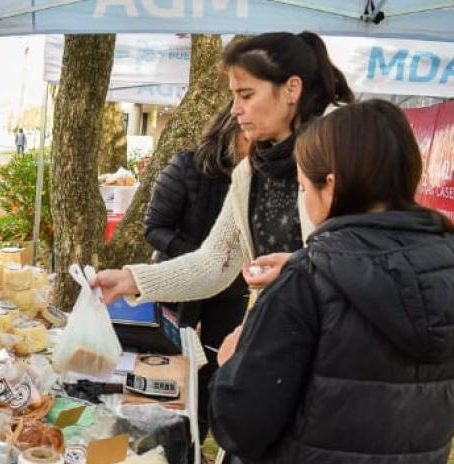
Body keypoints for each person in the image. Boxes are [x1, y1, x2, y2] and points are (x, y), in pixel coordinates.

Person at [206, 99, 454, 464]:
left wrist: (234, 362)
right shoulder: (447, 269)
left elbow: (240, 424)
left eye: (303, 185)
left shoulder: (308, 281)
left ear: (332, 185)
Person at [91, 31, 354, 305]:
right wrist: (131, 280)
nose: (234, 110)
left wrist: (298, 268)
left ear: (291, 89)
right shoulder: (251, 172)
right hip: (285, 334)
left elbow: (369, 259)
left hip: (337, 338)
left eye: (247, 95)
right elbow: (214, 264)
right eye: (234, 96)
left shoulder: (346, 154)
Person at [144, 101, 249, 440]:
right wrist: (200, 258)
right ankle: (160, 428)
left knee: (216, 362)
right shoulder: (185, 166)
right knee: (170, 358)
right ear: (229, 131)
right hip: (178, 279)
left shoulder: (259, 177)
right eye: (248, 136)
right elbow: (155, 227)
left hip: (231, 289)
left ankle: (198, 433)